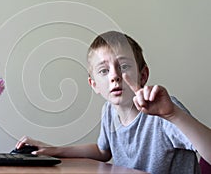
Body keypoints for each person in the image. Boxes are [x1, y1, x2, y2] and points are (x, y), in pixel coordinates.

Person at [15, 31, 211, 174]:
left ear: (143, 76)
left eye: (124, 66)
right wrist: (53, 150)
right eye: (104, 71)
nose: (115, 76)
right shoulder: (109, 111)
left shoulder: (163, 112)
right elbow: (103, 151)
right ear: (94, 84)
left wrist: (173, 115)